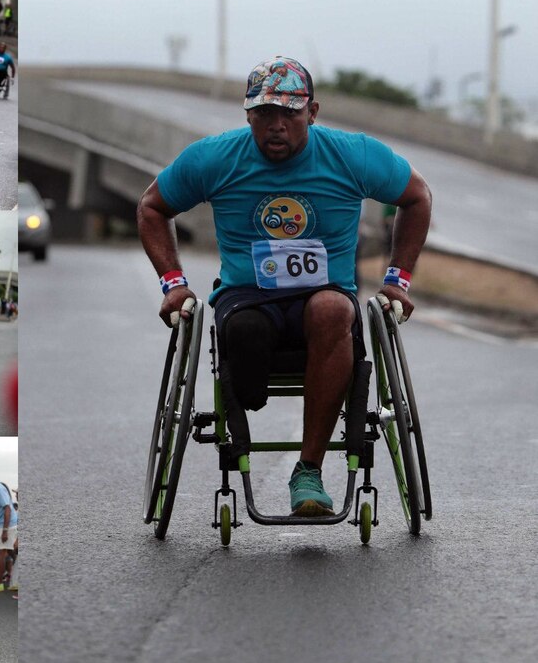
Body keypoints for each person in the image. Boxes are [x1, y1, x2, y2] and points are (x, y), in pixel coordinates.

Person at [136, 55, 432, 517]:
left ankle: (308, 472)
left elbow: (417, 196)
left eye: (289, 114)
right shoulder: (216, 158)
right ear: (248, 114)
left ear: (311, 113)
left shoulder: (350, 155)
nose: (276, 126)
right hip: (247, 297)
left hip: (325, 295)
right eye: (264, 114)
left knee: (333, 311)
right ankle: (243, 412)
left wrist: (397, 280)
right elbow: (152, 207)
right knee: (246, 339)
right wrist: (173, 284)